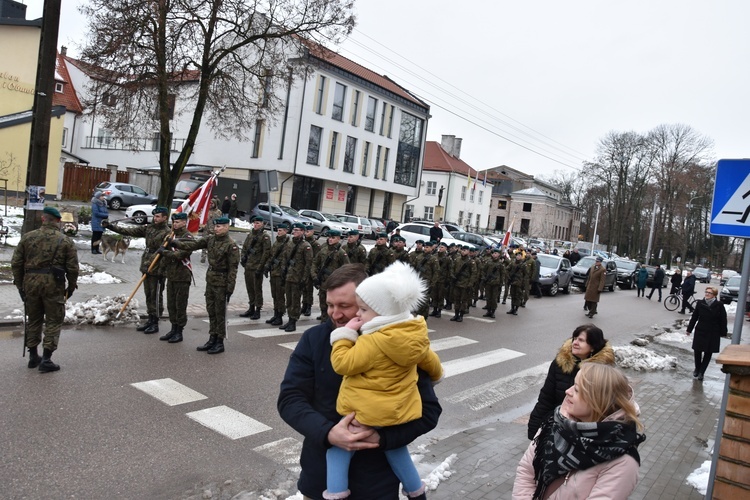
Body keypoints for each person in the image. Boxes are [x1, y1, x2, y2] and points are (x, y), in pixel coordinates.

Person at [277, 264, 442, 500]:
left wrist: (383, 438)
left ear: (369, 305)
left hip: (376, 483)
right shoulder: (315, 339)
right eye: (330, 305)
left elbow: (429, 412)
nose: (335, 314)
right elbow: (290, 399)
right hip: (321, 480)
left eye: (345, 306)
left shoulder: (398, 344)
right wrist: (329, 433)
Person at [326, 261, 443, 499]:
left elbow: (343, 364)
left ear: (383, 314)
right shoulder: (413, 337)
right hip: (396, 415)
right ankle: (415, 491)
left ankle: (336, 494)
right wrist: (437, 376)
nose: (358, 314)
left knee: (337, 452)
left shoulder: (373, 341)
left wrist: (343, 335)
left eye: (363, 310)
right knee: (397, 451)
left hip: (365, 413)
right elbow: (432, 364)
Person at [513, 364, 646, 500]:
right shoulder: (555, 423)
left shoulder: (623, 461)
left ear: (598, 399)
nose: (567, 391)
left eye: (576, 389)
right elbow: (526, 471)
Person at [12, 207, 79, 372]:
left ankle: (33, 356)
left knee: (33, 320)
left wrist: (21, 285)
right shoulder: (64, 241)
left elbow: (16, 263)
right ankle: (47, 359)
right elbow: (73, 268)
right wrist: (70, 287)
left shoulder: (27, 237)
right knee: (53, 321)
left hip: (30, 283)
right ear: (58, 221)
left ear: (43, 219)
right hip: (53, 285)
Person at [527, 324, 615, 439]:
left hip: (583, 432)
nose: (575, 343)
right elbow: (546, 397)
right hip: (556, 423)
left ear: (593, 346)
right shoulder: (560, 364)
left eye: (581, 340)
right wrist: (535, 425)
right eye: (575, 338)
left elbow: (603, 409)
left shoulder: (601, 372)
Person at [170, 216, 240, 354]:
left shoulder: (231, 245)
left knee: (220, 313)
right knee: (211, 310)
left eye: (219, 226)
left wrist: (230, 288)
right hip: (211, 280)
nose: (216, 228)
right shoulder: (211, 239)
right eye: (215, 226)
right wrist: (175, 243)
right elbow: (193, 244)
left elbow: (233, 269)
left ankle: (220, 341)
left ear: (227, 227)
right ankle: (212, 338)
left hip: (222, 283)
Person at [103, 206, 170, 334]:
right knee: (148, 294)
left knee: (155, 295)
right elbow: (130, 231)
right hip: (146, 264)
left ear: (165, 218)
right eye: (154, 216)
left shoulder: (167, 232)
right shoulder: (149, 228)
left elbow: (167, 253)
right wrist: (111, 227)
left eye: (158, 216)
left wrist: (161, 268)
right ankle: (150, 319)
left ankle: (155, 321)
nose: (155, 218)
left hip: (158, 267)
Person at [156, 212, 193, 343]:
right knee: (171, 305)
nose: (175, 224)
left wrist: (164, 252)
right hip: (171, 275)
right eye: (174, 222)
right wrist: (161, 271)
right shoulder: (171, 235)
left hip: (182, 277)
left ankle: (179, 331)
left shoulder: (187, 237)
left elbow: (181, 255)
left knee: (180, 305)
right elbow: (165, 259)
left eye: (177, 222)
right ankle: (173, 328)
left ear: (184, 222)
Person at [686, 286, 727, 381]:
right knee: (697, 350)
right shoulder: (700, 303)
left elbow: (723, 319)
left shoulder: (719, 305)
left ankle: (701, 372)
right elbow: (694, 317)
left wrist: (723, 332)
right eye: (706, 292)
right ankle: (697, 368)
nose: (707, 294)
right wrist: (689, 329)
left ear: (714, 295)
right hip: (701, 330)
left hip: (713, 332)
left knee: (708, 353)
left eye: (709, 293)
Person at [279, 223, 313, 332]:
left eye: (297, 230)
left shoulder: (306, 246)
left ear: (303, 232)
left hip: (298, 278)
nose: (294, 232)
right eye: (294, 230)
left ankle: (293, 321)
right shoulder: (289, 244)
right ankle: (289, 319)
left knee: (295, 301)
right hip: (289, 276)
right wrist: (283, 270)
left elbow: (308, 264)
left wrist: (304, 279)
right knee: (288, 299)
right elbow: (284, 258)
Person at [312, 230, 350, 324]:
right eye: (329, 237)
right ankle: (324, 320)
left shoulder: (341, 253)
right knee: (323, 303)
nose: (330, 239)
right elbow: (315, 263)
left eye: (333, 238)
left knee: (333, 305)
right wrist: (315, 276)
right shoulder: (323, 250)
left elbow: (347, 269)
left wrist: (340, 282)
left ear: (338, 239)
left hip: (334, 284)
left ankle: (332, 323)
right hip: (323, 283)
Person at [239, 215, 271, 319]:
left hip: (257, 267)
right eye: (255, 223)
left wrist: (260, 267)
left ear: (262, 224)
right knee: (250, 288)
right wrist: (243, 258)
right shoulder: (250, 235)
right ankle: (251, 307)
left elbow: (266, 253)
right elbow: (244, 248)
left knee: (257, 289)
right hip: (248, 266)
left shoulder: (264, 237)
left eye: (258, 223)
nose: (256, 225)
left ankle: (258, 309)